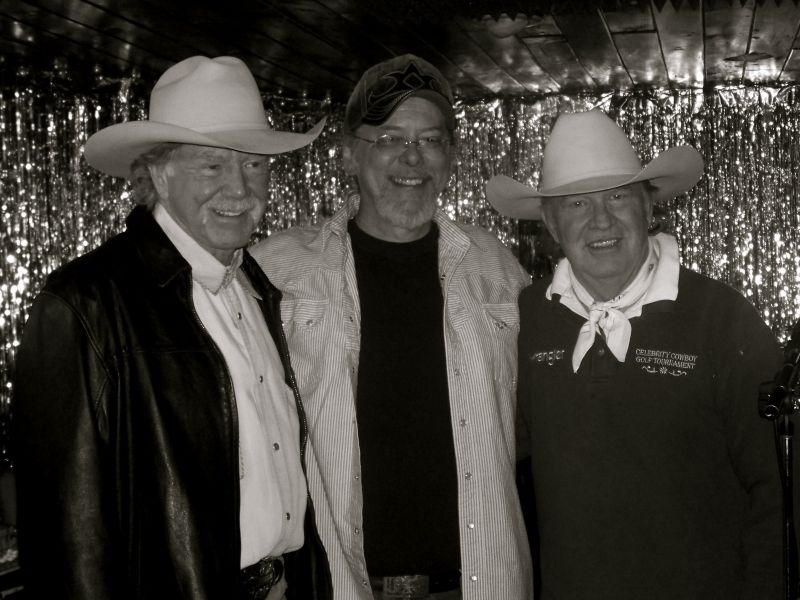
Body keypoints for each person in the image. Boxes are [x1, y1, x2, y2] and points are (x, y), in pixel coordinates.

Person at [12, 55, 332, 599]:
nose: (240, 189)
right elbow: (66, 535)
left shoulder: (256, 287)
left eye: (254, 165)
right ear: (158, 173)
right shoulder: (86, 303)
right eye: (212, 166)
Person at [250, 54, 533, 599]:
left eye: (430, 140)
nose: (412, 157)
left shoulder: (497, 269)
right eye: (388, 139)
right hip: (335, 585)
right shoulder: (276, 272)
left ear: (450, 157)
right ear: (349, 155)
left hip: (478, 584)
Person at [487, 109, 782, 599]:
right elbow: (483, 454)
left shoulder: (722, 318)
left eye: (618, 196)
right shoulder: (524, 322)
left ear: (648, 207)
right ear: (552, 225)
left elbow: (779, 488)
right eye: (577, 203)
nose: (601, 219)